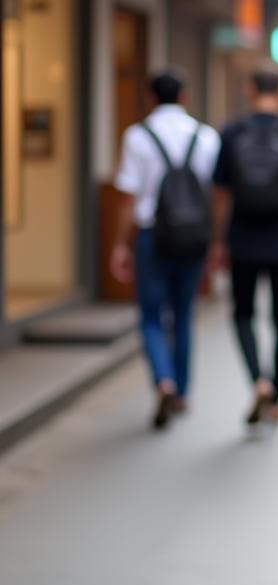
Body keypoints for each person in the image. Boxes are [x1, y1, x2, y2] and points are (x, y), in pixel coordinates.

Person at [110, 68, 220, 428]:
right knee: (183, 313)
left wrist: (120, 245)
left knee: (152, 315)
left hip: (150, 236)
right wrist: (215, 241)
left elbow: (128, 196)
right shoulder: (206, 137)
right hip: (192, 237)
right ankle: (183, 392)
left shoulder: (137, 136)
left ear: (151, 97)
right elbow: (214, 195)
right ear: (185, 97)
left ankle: (163, 380)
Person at [211, 67, 278, 424]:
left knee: (242, 314)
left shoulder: (231, 133)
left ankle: (258, 381)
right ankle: (277, 398)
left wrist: (219, 241)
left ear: (250, 89)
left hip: (241, 236)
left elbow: (221, 194)